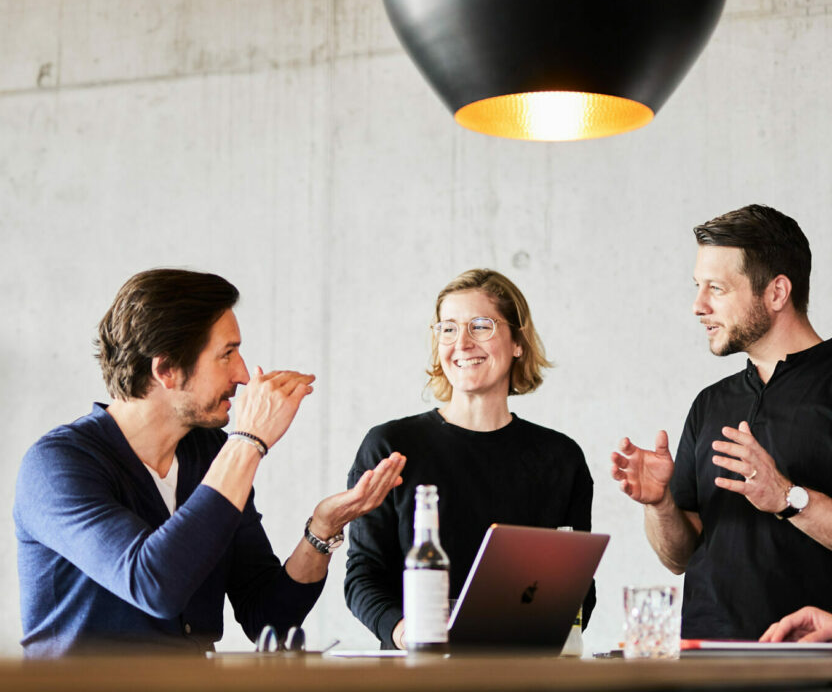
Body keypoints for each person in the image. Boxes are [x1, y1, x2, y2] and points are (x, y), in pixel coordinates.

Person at [14, 269, 406, 657]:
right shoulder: (57, 466)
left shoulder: (210, 452)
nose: (242, 374)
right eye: (227, 354)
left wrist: (322, 530)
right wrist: (249, 441)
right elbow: (153, 584)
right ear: (165, 369)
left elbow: (267, 619)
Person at [611, 204, 832, 639]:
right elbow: (678, 557)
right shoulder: (710, 403)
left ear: (776, 292)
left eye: (716, 287)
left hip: (807, 661)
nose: (698, 305)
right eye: (698, 286)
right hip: (702, 663)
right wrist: (661, 505)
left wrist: (788, 497)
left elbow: (786, 498)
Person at [344, 268, 595, 649]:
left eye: (481, 326)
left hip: (522, 675)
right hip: (418, 676)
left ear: (517, 342)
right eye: (448, 328)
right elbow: (364, 575)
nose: (461, 343)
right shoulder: (389, 446)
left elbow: (579, 589)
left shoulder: (561, 457)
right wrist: (403, 631)